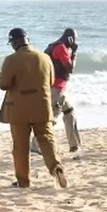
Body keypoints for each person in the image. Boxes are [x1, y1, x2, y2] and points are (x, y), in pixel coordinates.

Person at [0, 28, 67, 189]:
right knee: (47, 140)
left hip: (18, 110)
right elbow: (50, 82)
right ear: (28, 39)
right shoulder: (44, 57)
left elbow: (4, 84)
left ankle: (24, 181)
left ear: (14, 42)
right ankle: (56, 168)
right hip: (42, 107)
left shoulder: (11, 60)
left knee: (20, 147)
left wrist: (0, 77)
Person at [32, 28, 82, 157]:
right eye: (75, 40)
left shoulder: (52, 46)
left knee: (70, 113)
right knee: (51, 117)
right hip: (56, 89)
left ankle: (74, 145)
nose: (76, 42)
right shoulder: (61, 48)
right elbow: (70, 68)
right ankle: (35, 145)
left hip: (55, 88)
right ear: (70, 38)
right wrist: (75, 51)